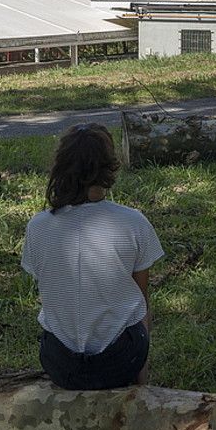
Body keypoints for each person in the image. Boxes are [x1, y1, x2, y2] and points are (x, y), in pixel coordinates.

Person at [23, 124, 164, 390]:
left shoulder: (38, 226)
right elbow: (142, 304)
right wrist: (141, 378)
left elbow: (52, 290)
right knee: (137, 308)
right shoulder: (133, 222)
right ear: (110, 167)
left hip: (60, 365)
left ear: (61, 165)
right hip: (121, 363)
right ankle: (139, 383)